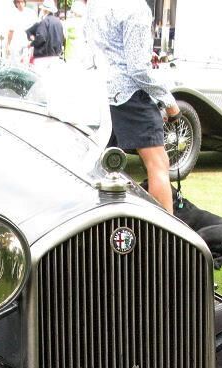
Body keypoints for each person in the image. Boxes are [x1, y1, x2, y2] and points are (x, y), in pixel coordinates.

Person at [86, 0, 180, 213]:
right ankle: (166, 239)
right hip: (127, 93)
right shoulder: (136, 8)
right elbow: (138, 70)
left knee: (99, 169)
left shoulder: (95, 4)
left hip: (99, 90)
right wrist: (169, 102)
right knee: (159, 165)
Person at [27, 0, 65, 66]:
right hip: (56, 56)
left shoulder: (44, 22)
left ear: (45, 10)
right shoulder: (58, 22)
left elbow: (41, 38)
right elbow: (62, 37)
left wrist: (31, 43)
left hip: (44, 56)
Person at [5, 0, 33, 65]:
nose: (20, 4)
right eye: (18, 2)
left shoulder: (30, 13)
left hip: (27, 43)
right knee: (16, 64)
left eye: (22, 2)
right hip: (16, 44)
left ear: (24, 2)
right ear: (15, 3)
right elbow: (11, 31)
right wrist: (8, 44)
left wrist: (32, 41)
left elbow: (34, 28)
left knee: (26, 64)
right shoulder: (13, 13)